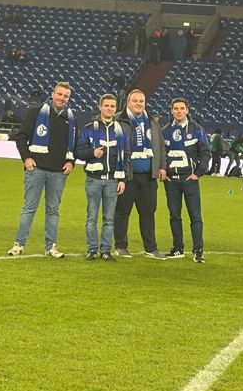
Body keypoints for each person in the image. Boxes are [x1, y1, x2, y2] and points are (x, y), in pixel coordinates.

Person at [9, 82, 77, 258]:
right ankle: (19, 244)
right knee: (29, 208)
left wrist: (71, 162)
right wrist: (27, 158)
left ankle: (51, 247)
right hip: (36, 169)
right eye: (59, 94)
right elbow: (21, 137)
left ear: (68, 98)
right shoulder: (36, 112)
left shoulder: (71, 119)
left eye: (66, 96)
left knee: (53, 211)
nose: (62, 98)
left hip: (59, 173)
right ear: (53, 94)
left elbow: (74, 146)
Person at [75, 94, 131, 261]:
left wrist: (123, 180)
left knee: (109, 218)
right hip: (94, 179)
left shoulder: (121, 131)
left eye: (112, 106)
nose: (109, 109)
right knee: (92, 216)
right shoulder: (88, 129)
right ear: (99, 107)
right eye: (106, 105)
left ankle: (106, 250)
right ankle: (92, 249)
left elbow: (126, 157)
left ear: (116, 108)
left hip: (113, 180)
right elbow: (78, 152)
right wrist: (91, 153)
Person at [113, 89, 167, 259]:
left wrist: (162, 166)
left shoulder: (152, 122)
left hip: (148, 176)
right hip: (127, 176)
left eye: (141, 101)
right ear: (128, 102)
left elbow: (160, 146)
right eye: (135, 101)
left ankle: (150, 248)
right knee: (122, 212)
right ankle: (121, 246)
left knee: (148, 213)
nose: (138, 104)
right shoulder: (118, 120)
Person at [162, 97, 210, 262]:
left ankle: (198, 250)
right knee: (174, 215)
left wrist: (198, 173)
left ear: (187, 110)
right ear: (171, 111)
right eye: (176, 108)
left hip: (189, 179)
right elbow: (160, 153)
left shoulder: (197, 129)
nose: (179, 111)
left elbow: (205, 153)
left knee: (195, 215)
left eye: (182, 108)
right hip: (171, 180)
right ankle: (178, 248)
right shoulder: (165, 130)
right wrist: (163, 170)